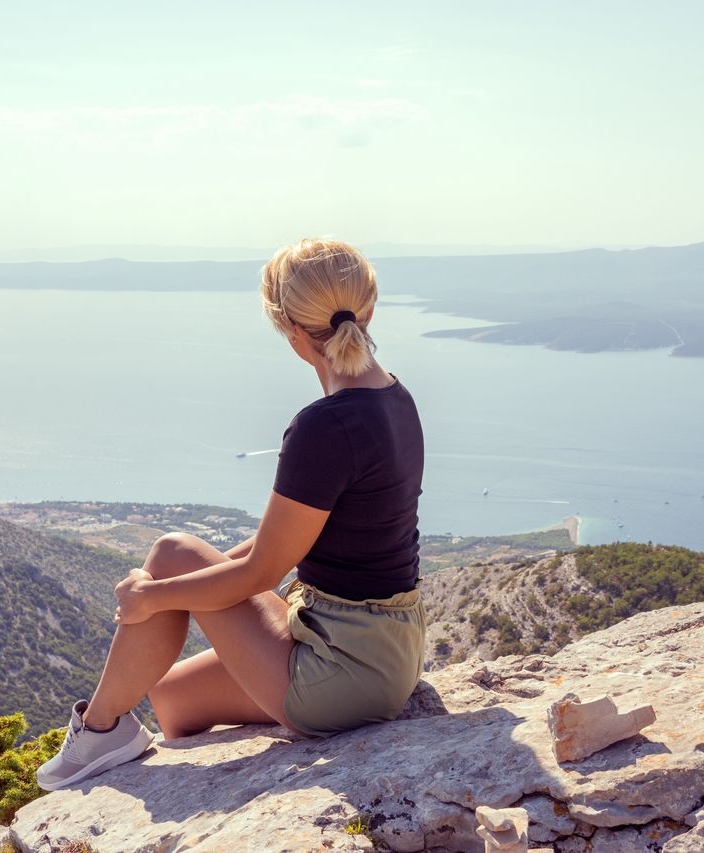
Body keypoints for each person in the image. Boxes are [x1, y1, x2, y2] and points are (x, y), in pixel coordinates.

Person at [36, 237, 426, 791]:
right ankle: (130, 740)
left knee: (171, 554)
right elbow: (282, 544)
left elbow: (260, 575)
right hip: (389, 652)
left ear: (290, 329)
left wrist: (151, 597)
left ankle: (97, 728)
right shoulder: (394, 397)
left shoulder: (325, 426)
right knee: (169, 695)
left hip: (343, 671)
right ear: (370, 309)